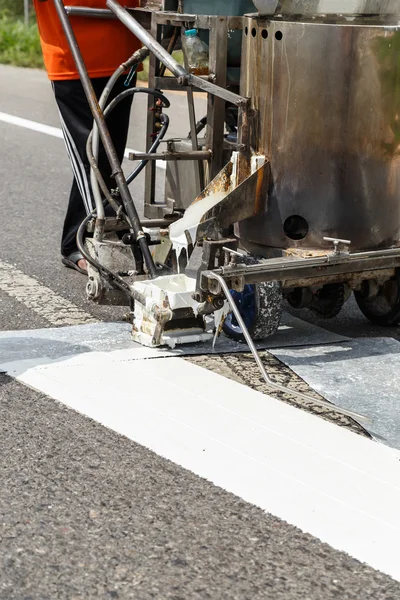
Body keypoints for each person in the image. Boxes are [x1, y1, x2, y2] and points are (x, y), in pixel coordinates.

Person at [33, 0, 141, 273]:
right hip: (71, 53)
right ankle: (100, 237)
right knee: (90, 157)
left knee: (110, 153)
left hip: (123, 54)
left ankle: (82, 237)